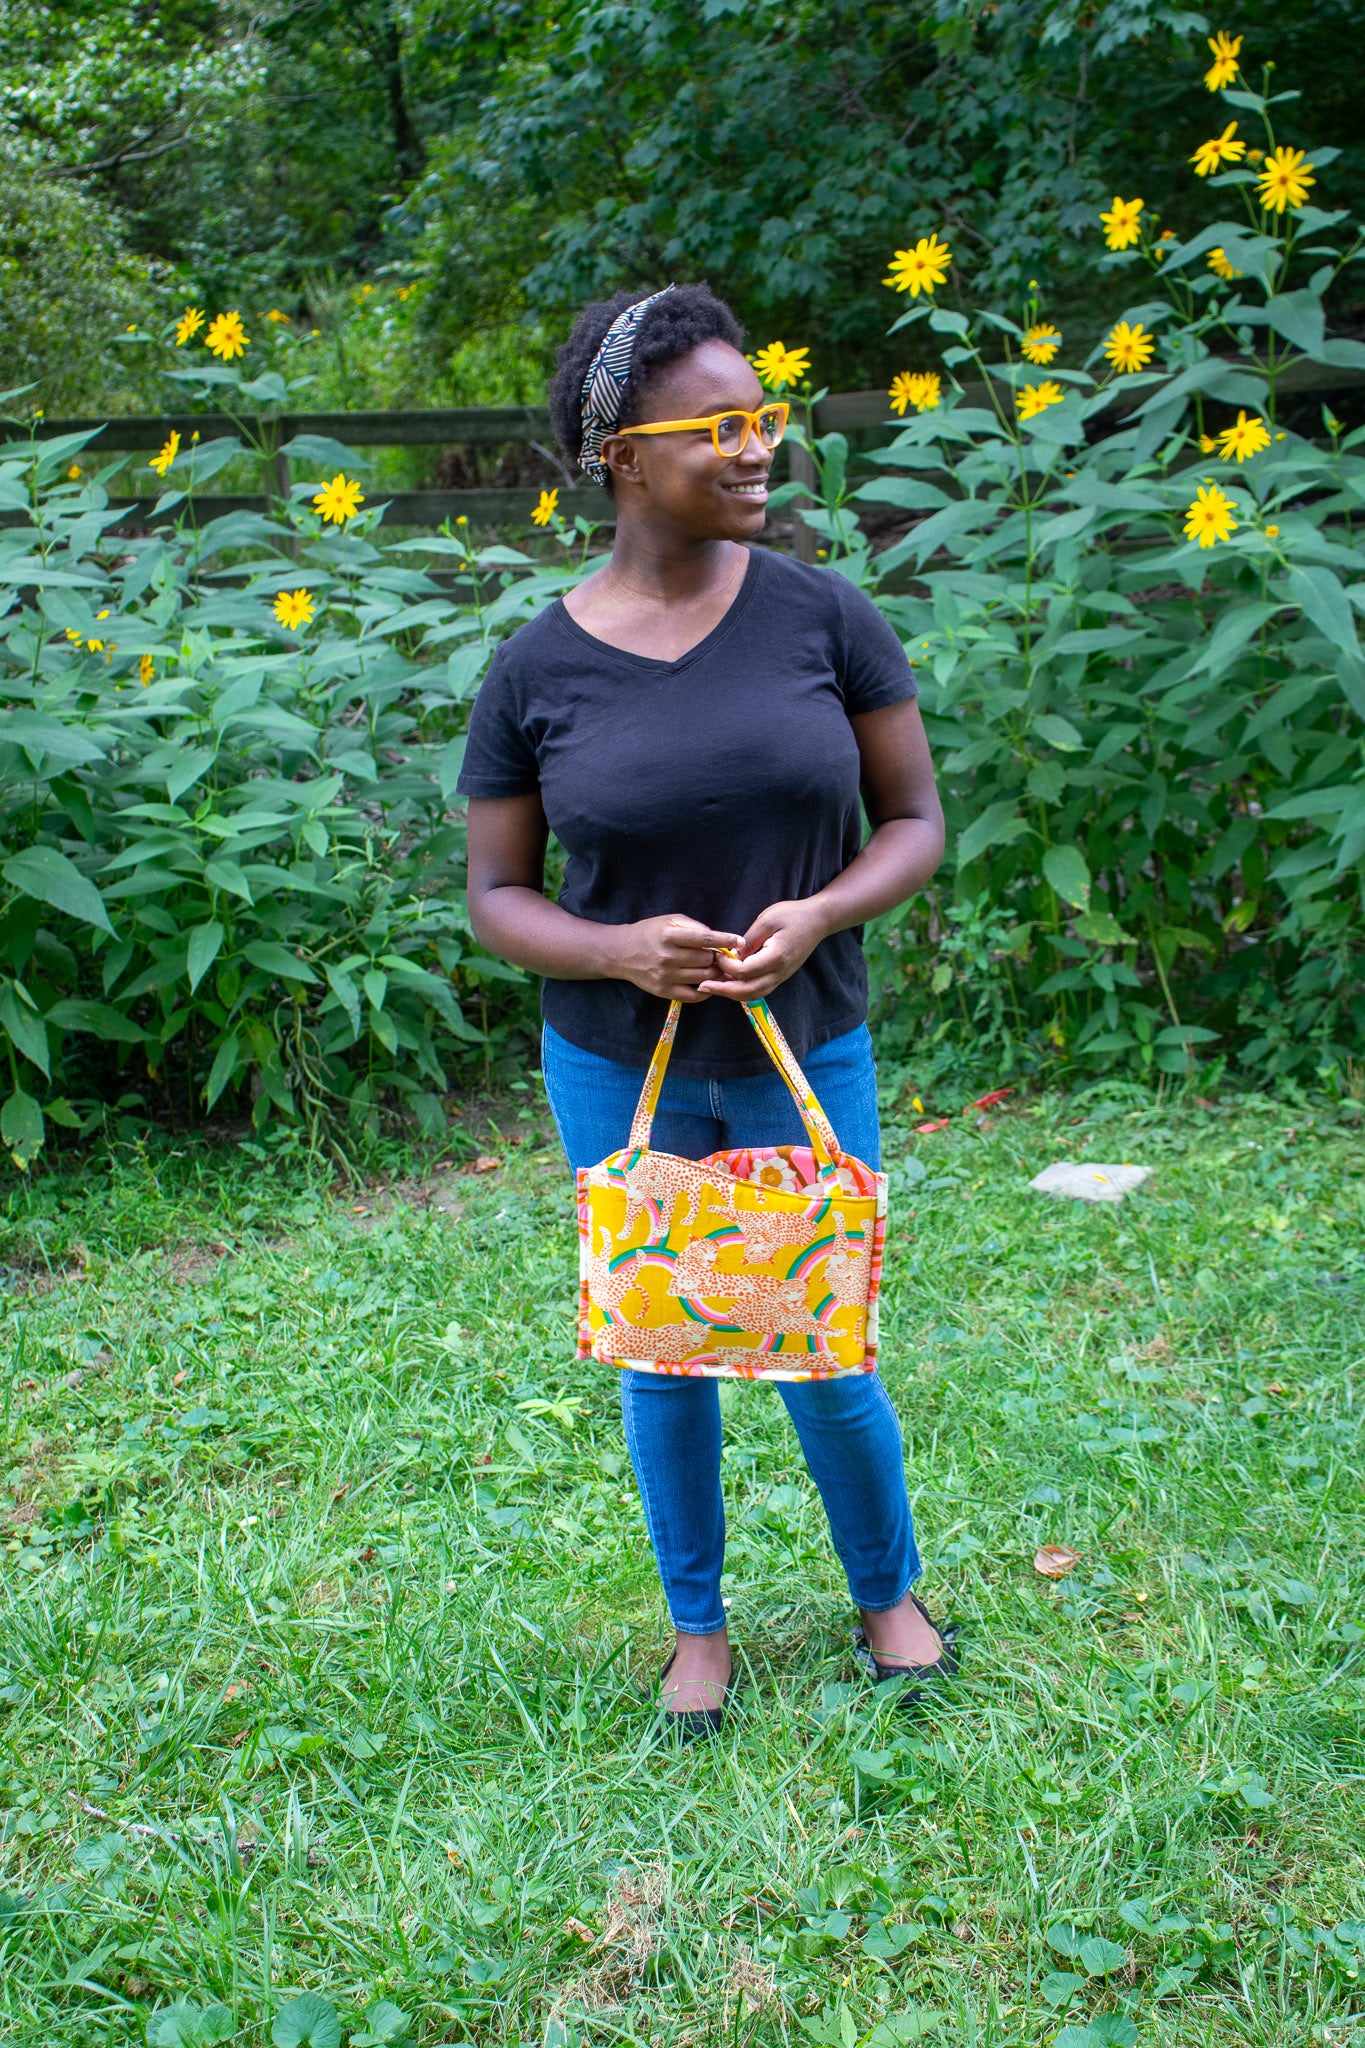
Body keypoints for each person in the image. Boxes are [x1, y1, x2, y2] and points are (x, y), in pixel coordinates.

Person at [458, 282, 953, 1733]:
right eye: (718, 427)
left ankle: (887, 1595)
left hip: (810, 1044)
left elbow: (914, 821)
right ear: (622, 456)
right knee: (663, 1353)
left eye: (762, 418)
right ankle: (697, 1626)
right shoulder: (536, 668)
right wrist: (617, 951)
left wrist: (825, 913)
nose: (756, 448)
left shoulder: (821, 614)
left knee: (823, 1341)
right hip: (620, 1062)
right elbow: (496, 896)